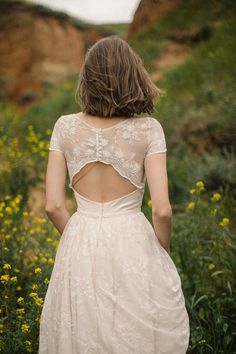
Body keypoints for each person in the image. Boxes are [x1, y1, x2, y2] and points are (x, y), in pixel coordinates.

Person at [39, 35, 189, 354]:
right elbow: (162, 210)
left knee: (80, 332)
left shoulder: (64, 127)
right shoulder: (148, 130)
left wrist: (81, 236)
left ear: (88, 79)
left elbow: (52, 204)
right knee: (133, 334)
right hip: (132, 237)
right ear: (133, 75)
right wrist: (160, 253)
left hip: (80, 236)